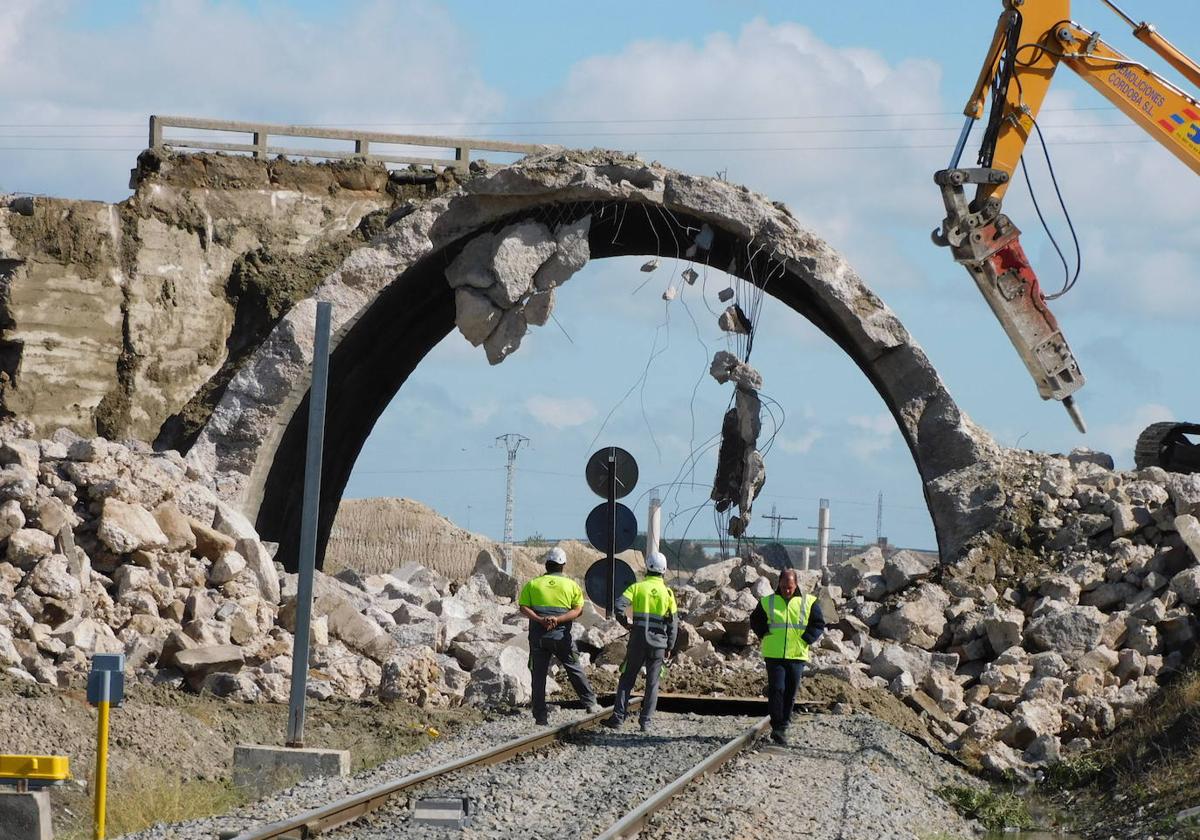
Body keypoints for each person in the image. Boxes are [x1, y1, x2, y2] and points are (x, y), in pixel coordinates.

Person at [518, 546, 601, 725]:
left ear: (547, 564)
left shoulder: (533, 584)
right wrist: (558, 619)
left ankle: (540, 716)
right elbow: (578, 610)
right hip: (561, 638)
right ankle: (591, 703)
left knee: (538, 676)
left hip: (538, 638)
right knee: (573, 667)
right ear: (562, 566)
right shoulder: (571, 585)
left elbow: (523, 607)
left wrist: (540, 620)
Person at [604, 551, 678, 733]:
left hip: (637, 640)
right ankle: (645, 722)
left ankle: (618, 718)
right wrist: (670, 645)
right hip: (658, 644)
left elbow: (619, 607)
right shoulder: (667, 593)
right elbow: (673, 623)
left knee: (627, 678)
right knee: (652, 683)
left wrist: (626, 624)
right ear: (664, 570)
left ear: (647, 567)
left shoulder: (637, 588)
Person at [749, 567, 825, 745]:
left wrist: (807, 638)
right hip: (774, 654)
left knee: (790, 692)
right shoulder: (768, 602)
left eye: (790, 587)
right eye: (783, 587)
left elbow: (818, 623)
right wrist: (763, 633)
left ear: (796, 584)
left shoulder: (808, 602)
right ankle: (778, 727)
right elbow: (755, 620)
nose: (787, 590)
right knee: (777, 689)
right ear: (779, 585)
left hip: (797, 654)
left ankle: (784, 724)